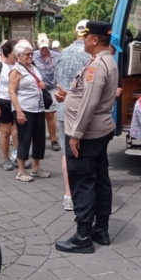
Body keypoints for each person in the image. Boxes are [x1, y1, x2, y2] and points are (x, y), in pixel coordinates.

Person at [54, 21, 119, 253]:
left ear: (94, 40)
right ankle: (100, 229)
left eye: (86, 36)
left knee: (82, 181)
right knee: (100, 179)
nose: (83, 40)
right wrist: (69, 95)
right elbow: (87, 95)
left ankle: (83, 236)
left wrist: (76, 134)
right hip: (98, 130)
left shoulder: (97, 65)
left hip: (87, 132)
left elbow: (90, 102)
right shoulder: (103, 61)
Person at [53, 19, 92, 210]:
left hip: (62, 108)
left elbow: (56, 80)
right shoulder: (91, 56)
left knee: (66, 152)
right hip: (84, 110)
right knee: (85, 150)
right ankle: (84, 193)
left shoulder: (62, 54)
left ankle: (68, 195)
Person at [9, 41, 49, 182]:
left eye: (31, 53)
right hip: (25, 109)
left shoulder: (32, 67)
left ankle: (36, 168)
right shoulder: (16, 71)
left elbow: (37, 82)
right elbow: (12, 93)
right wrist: (19, 111)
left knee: (39, 138)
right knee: (24, 139)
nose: (30, 56)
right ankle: (21, 171)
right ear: (19, 56)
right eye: (27, 54)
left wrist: (42, 85)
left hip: (38, 108)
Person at [0, 40, 19, 171]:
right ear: (8, 53)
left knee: (17, 131)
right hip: (4, 101)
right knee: (6, 132)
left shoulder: (19, 65)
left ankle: (17, 155)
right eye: (15, 51)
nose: (17, 53)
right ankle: (6, 159)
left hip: (17, 102)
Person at [33, 34, 61, 151]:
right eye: (41, 48)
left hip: (51, 88)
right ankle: (37, 141)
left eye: (45, 47)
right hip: (38, 89)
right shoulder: (33, 56)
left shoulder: (56, 56)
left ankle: (54, 140)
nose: (44, 50)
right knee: (38, 116)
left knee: (50, 115)